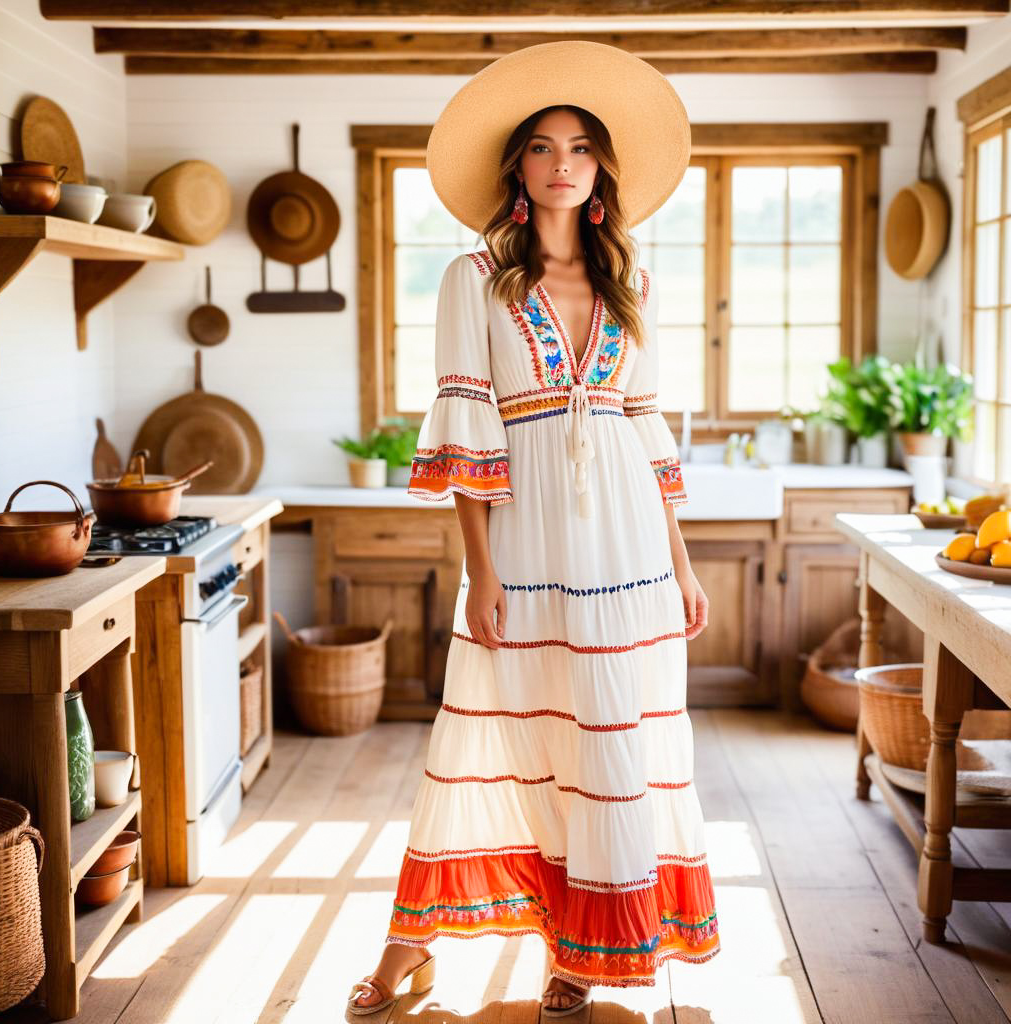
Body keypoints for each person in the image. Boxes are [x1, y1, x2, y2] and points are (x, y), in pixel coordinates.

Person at [347, 40, 719, 1019]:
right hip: (524, 545)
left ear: (601, 171)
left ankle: (580, 952)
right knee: (490, 731)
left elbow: (646, 424)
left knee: (607, 744)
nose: (562, 162)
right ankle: (410, 945)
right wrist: (478, 568)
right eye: (542, 147)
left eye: (581, 148)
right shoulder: (472, 279)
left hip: (630, 551)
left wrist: (680, 561)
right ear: (516, 167)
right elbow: (469, 432)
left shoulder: (631, 284)